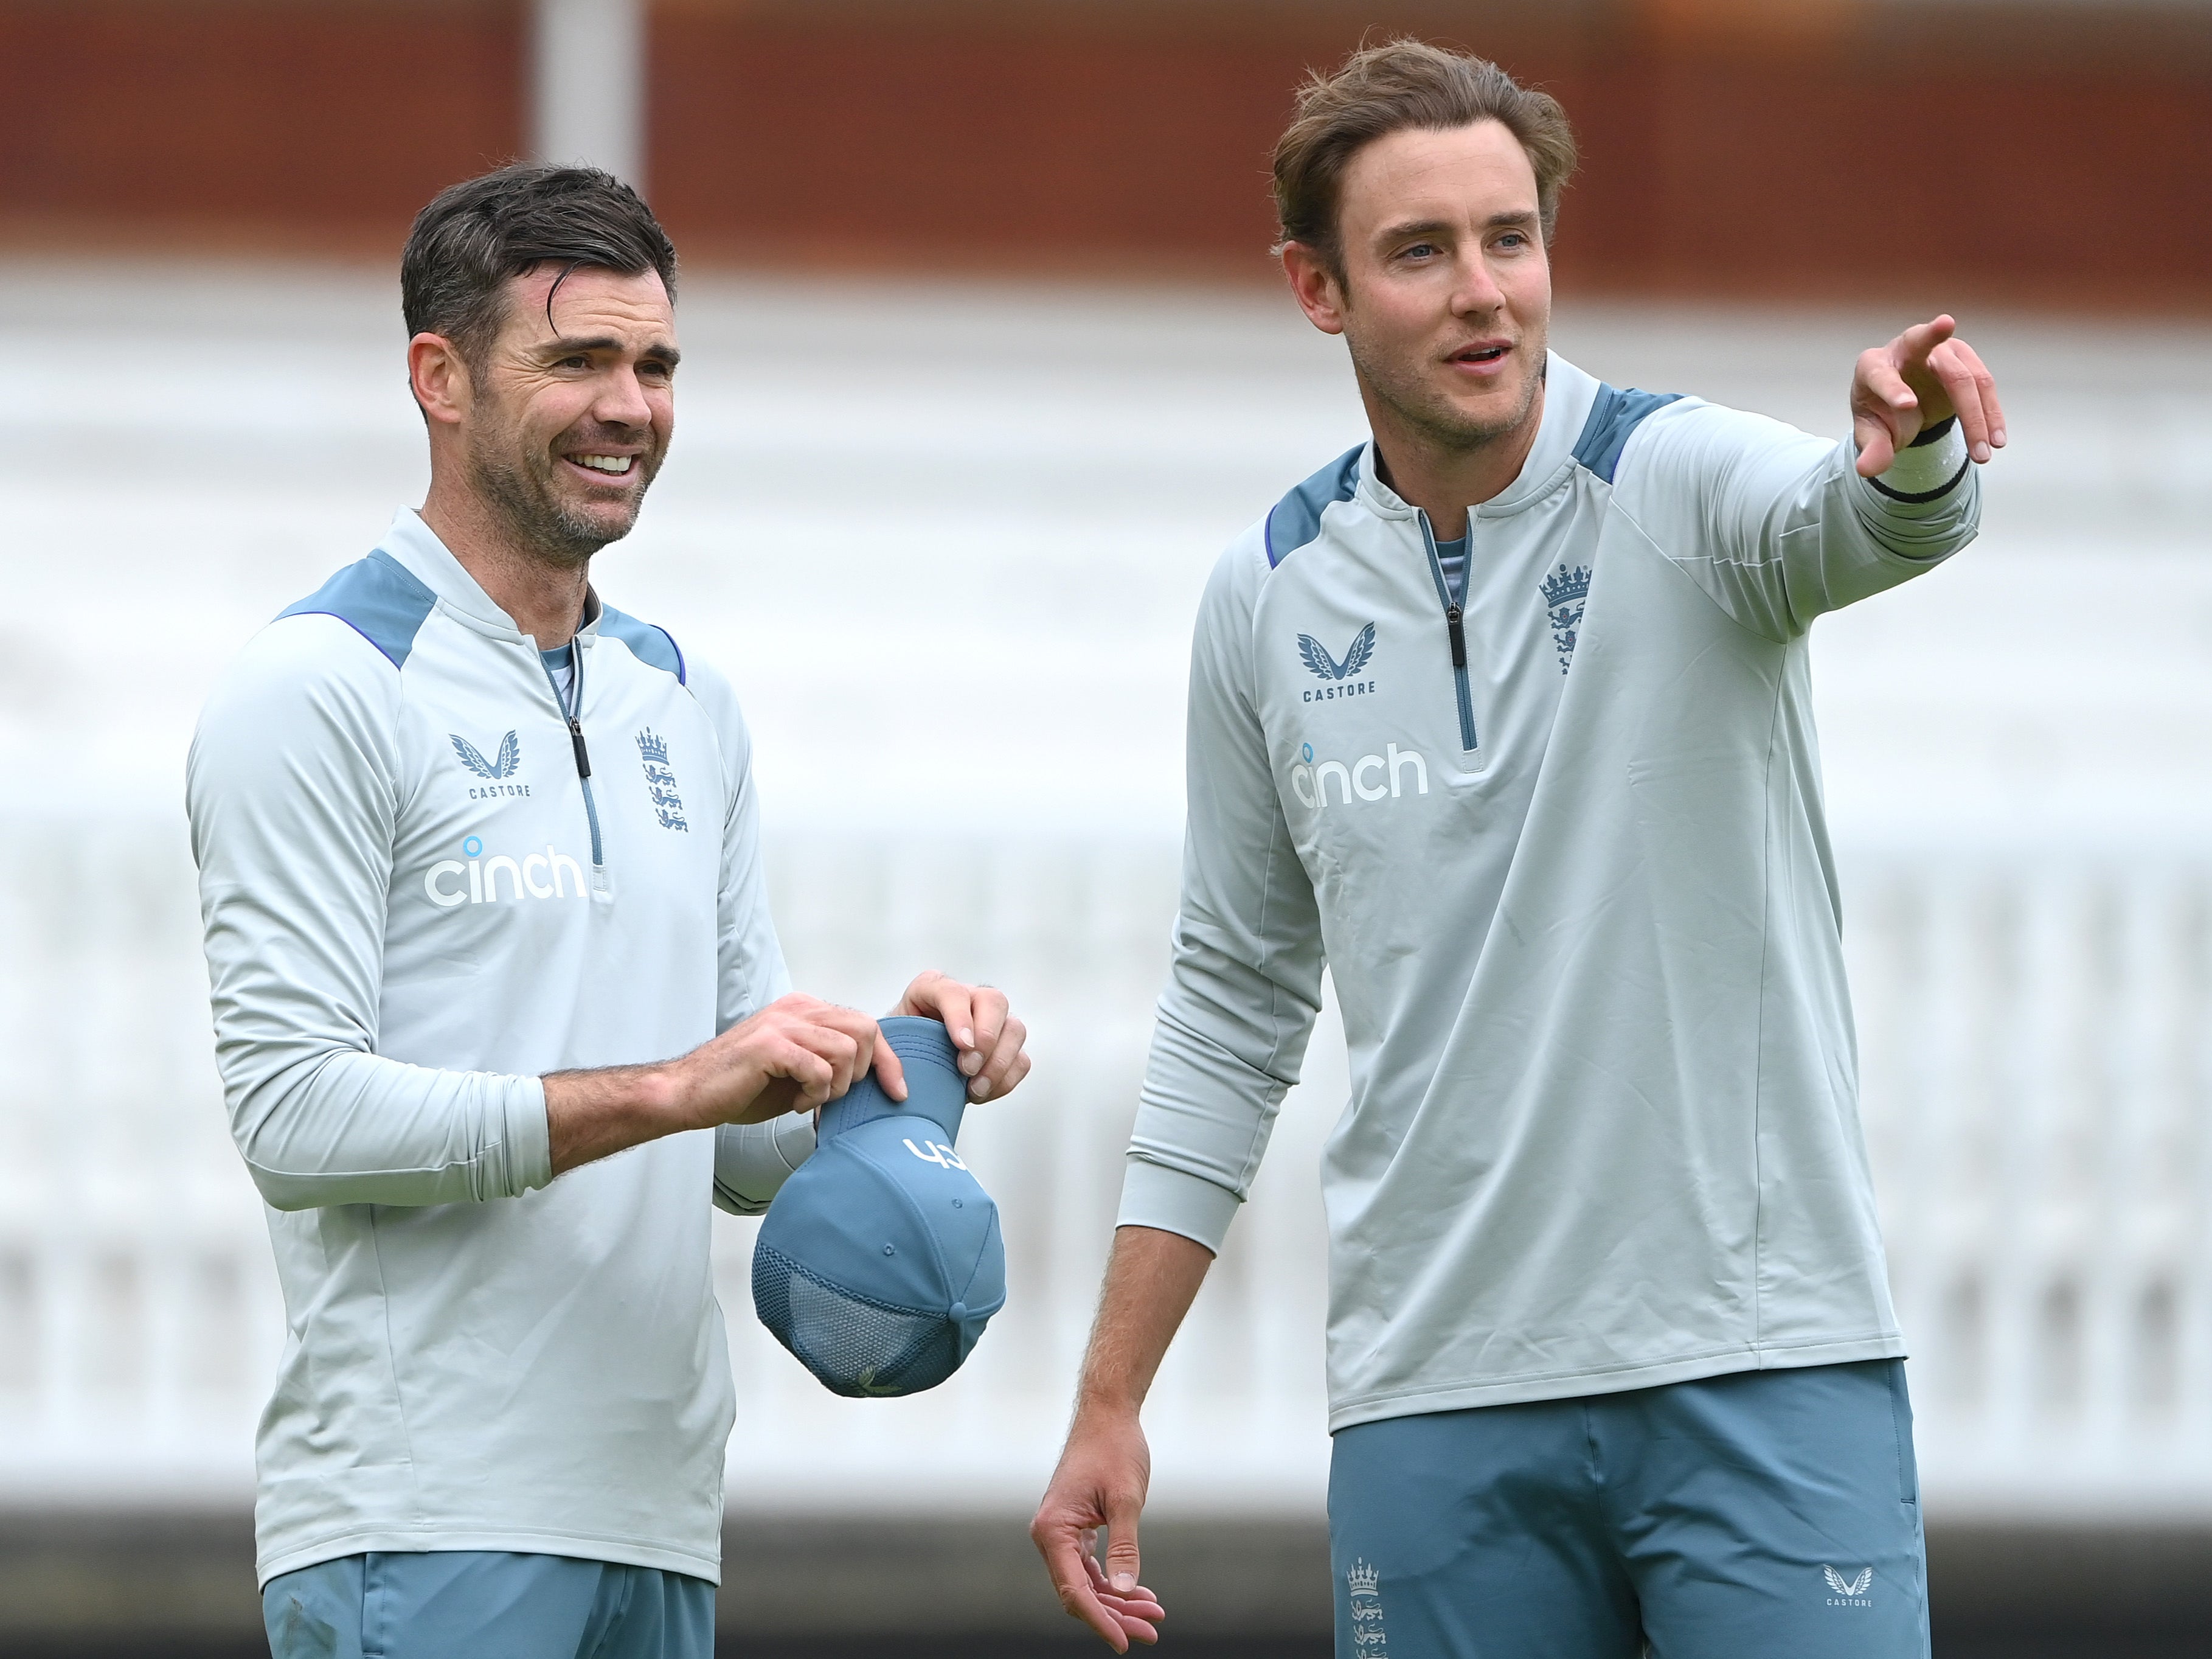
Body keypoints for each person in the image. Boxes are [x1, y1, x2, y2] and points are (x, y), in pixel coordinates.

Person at [1031, 39, 2002, 1659]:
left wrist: (1907, 455)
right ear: (1314, 290)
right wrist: (1108, 1399)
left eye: (1508, 237)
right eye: (1418, 251)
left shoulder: (1676, 477)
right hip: (1436, 1403)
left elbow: (1860, 523)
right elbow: (1228, 1007)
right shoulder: (1262, 595)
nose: (1482, 290)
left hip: (1760, 1368)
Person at [187, 164, 1032, 1659]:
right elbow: (294, 1118)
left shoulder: (684, 698)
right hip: (423, 1516)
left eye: (655, 365)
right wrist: (662, 1086)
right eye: (577, 359)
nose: (630, 405)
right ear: (437, 379)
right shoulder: (315, 685)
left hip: (657, 1520)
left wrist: (893, 1063)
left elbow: (745, 1146)